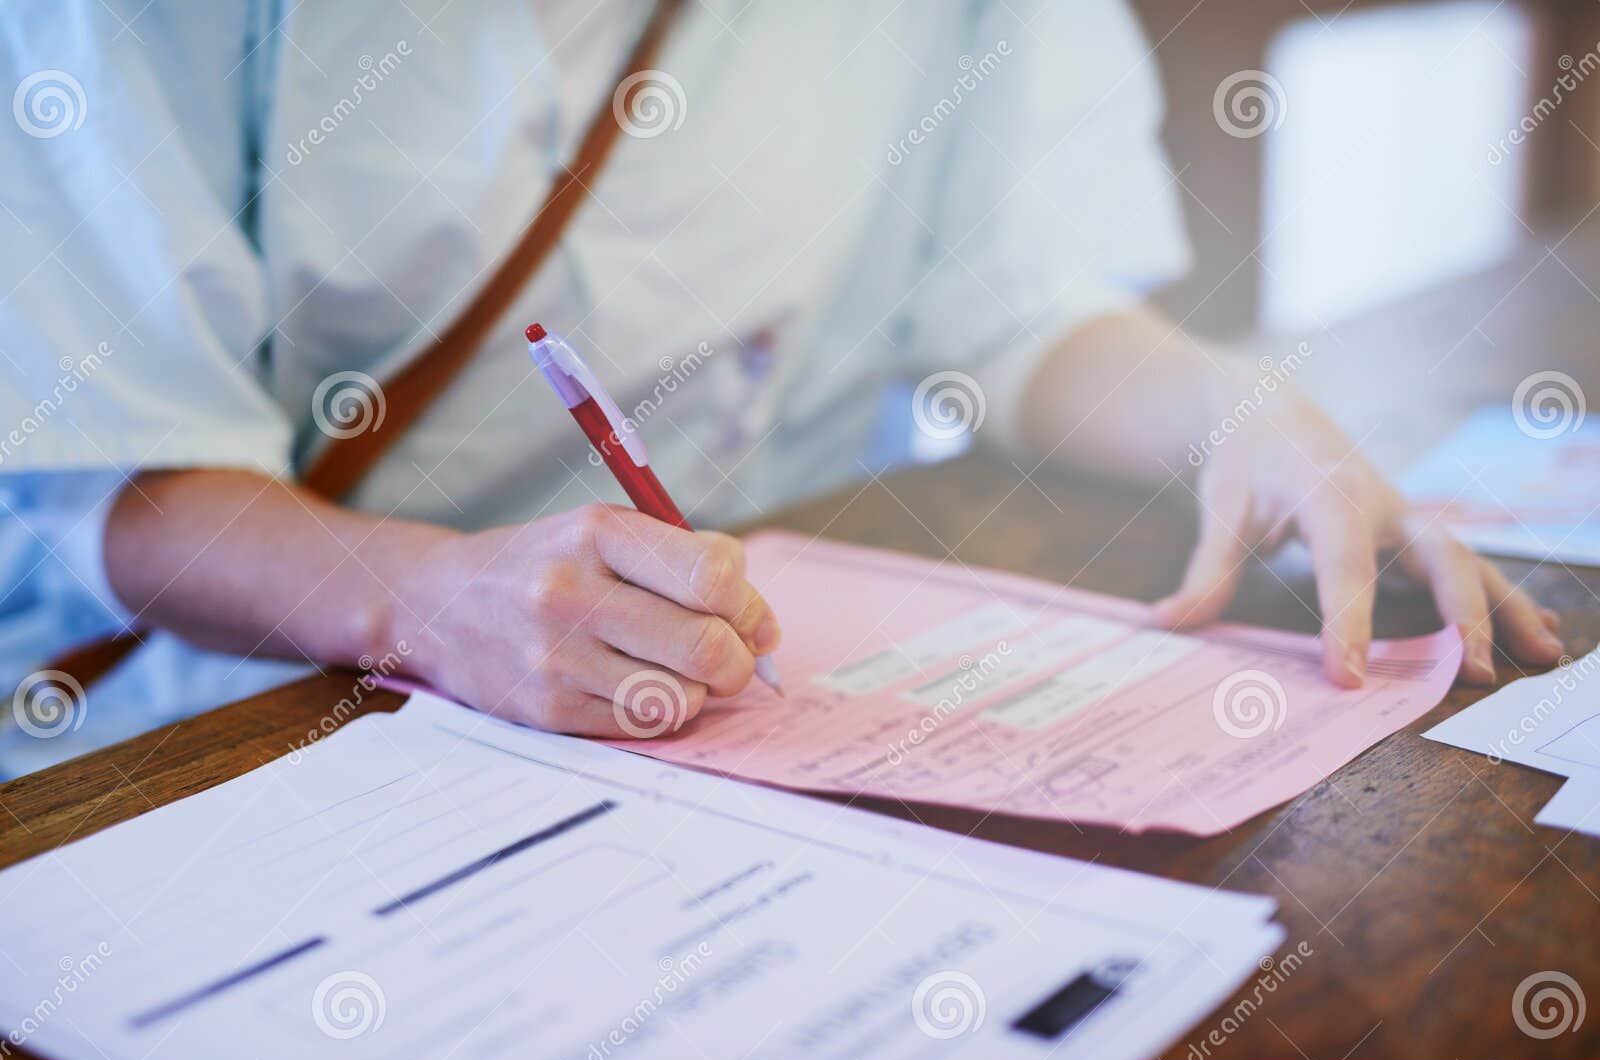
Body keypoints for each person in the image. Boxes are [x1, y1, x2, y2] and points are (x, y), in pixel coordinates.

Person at [0, 0, 1563, 776]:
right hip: (239, 713)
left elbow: (1016, 308)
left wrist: (1242, 417)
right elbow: (105, 478)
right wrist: (426, 601)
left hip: (753, 697)